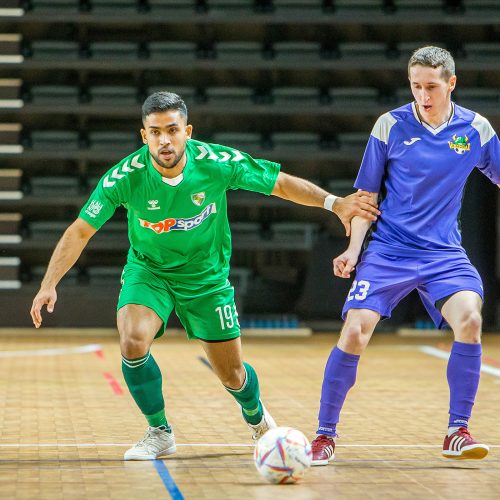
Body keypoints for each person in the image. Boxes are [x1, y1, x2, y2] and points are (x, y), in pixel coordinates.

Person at [30, 91, 379, 461]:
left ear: (188, 131)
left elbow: (278, 183)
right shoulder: (124, 177)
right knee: (133, 340)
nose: (164, 140)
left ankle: (257, 419)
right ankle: (159, 431)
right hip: (150, 273)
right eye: (155, 132)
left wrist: (334, 203)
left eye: (172, 130)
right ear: (143, 135)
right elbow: (80, 230)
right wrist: (48, 284)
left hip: (207, 280)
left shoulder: (216, 163)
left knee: (232, 375)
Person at [310, 46, 500, 465]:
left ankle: (457, 431)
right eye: (416, 86)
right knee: (356, 331)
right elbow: (365, 198)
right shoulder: (390, 125)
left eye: (431, 86)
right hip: (389, 251)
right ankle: (324, 435)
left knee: (470, 319)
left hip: (444, 254)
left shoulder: (476, 129)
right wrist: (353, 249)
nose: (423, 95)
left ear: (451, 83)